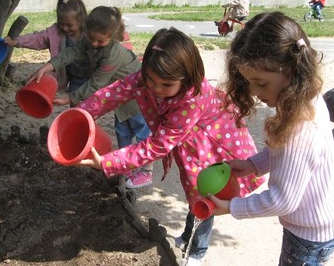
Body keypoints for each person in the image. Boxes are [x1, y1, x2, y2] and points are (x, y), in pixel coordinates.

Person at [75, 27, 266, 265]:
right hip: (187, 140)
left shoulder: (192, 98)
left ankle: (198, 250)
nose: (155, 88)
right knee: (194, 194)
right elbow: (114, 93)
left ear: (188, 78)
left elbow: (158, 146)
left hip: (212, 142)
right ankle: (188, 237)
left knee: (206, 195)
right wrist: (82, 112)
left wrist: (108, 162)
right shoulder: (150, 76)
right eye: (150, 80)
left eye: (166, 85)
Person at [209, 11, 334, 265]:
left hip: (310, 237)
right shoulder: (307, 98)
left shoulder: (300, 127)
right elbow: (285, 154)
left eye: (261, 84)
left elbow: (281, 201)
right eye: (249, 82)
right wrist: (254, 165)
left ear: (291, 72)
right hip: (324, 221)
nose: (253, 92)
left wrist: (232, 207)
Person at [29, 6, 153, 189]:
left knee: (143, 133)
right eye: (91, 38)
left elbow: (96, 83)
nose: (93, 44)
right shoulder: (89, 41)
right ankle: (125, 166)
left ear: (112, 36)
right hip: (119, 96)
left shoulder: (113, 54)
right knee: (122, 131)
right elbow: (70, 53)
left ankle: (146, 172)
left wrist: (70, 98)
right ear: (85, 30)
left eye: (100, 41)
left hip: (138, 97)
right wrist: (48, 67)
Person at [5, 0, 89, 93]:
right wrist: (17, 41)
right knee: (74, 99)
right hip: (66, 73)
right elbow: (38, 38)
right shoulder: (56, 32)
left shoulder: (90, 34)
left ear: (81, 21)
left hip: (90, 74)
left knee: (89, 102)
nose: (65, 28)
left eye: (69, 25)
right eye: (62, 24)